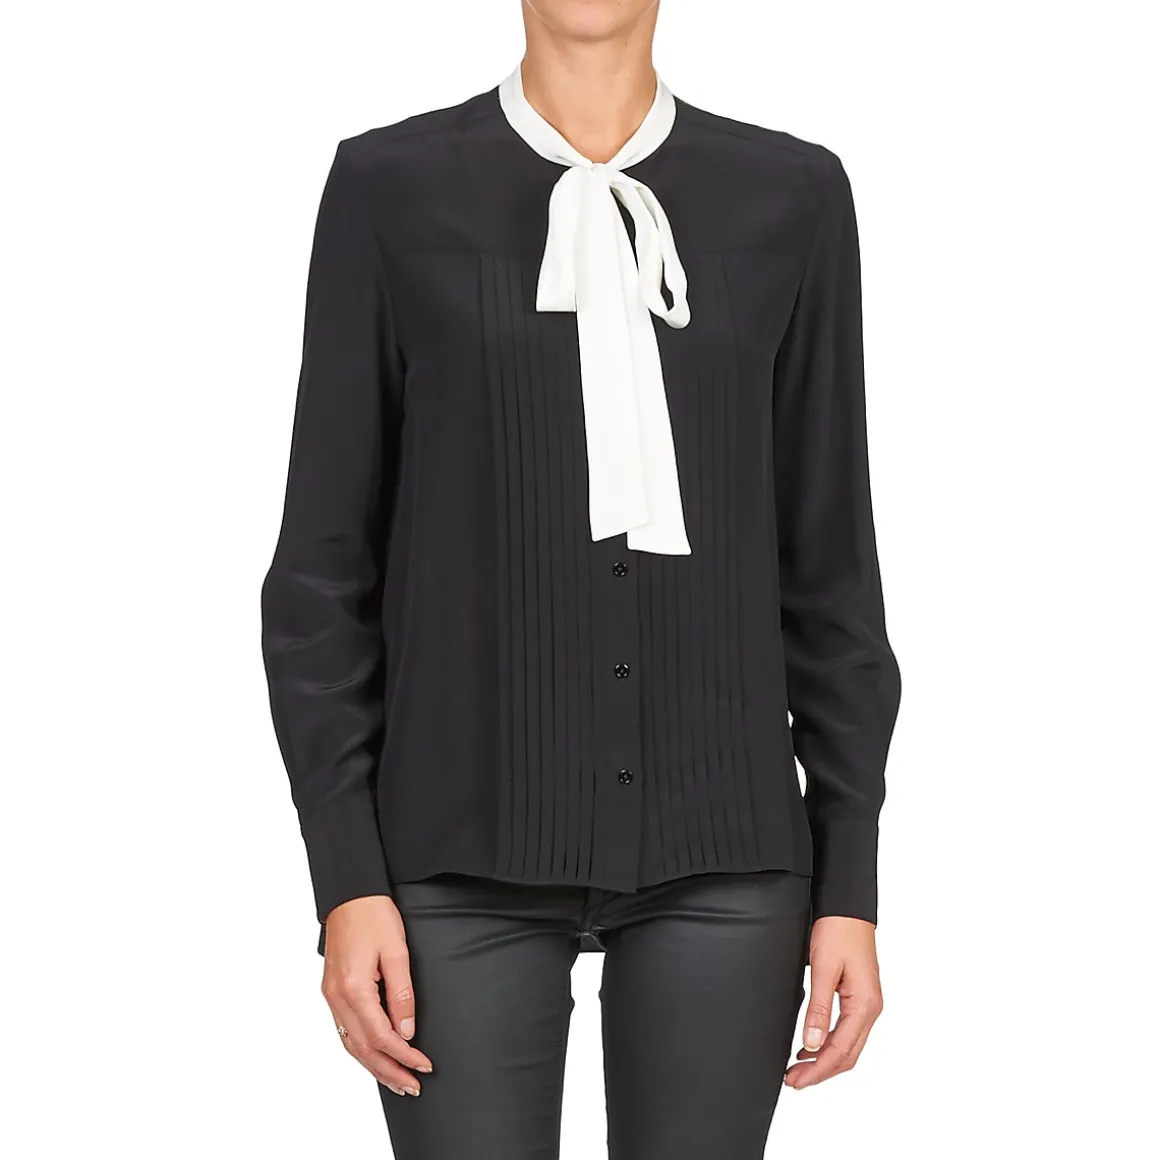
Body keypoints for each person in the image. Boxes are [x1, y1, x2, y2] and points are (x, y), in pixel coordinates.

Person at [260, 1, 901, 1155]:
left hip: (727, 853)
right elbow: (318, 576)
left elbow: (830, 570)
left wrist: (847, 875)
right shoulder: (386, 187)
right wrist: (345, 875)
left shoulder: (792, 194)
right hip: (451, 857)